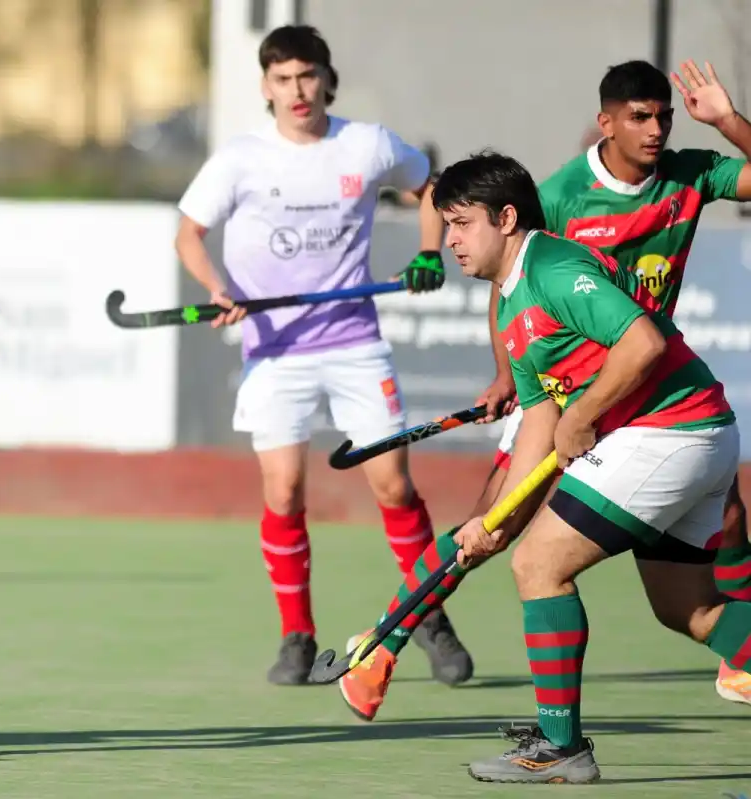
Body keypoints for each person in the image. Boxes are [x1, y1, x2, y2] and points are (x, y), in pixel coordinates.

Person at [336, 58, 751, 721]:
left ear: (503, 219)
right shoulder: (543, 230)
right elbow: (526, 355)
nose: (656, 130)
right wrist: (512, 390)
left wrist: (728, 121)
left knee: (554, 559)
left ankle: (570, 740)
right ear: (606, 121)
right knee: (519, 532)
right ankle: (387, 640)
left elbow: (631, 337)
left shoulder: (649, 198)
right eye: (641, 116)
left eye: (663, 116)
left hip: (650, 403)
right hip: (597, 396)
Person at [173, 24, 471, 686]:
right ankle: (297, 636)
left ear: (326, 79)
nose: (297, 90)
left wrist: (429, 249)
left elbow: (433, 186)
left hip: (355, 343)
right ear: (265, 88)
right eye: (282, 79)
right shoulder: (239, 159)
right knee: (283, 491)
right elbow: (189, 235)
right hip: (275, 350)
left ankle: (428, 613)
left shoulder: (364, 145)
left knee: (392, 483)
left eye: (307, 75)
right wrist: (217, 289)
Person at [436, 151, 747, 784]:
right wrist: (493, 522)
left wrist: (586, 414)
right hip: (691, 433)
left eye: (462, 223)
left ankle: (560, 746)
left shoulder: (553, 264)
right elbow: (538, 428)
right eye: (446, 225)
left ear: (506, 218)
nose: (451, 240)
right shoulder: (510, 301)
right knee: (690, 610)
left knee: (540, 565)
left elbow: (643, 342)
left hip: (670, 429)